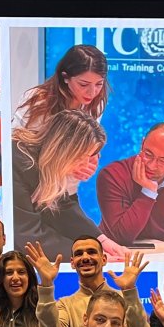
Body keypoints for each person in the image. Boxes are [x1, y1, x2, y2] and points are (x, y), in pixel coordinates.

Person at [13, 109, 123, 260]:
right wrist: (87, 255)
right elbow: (28, 236)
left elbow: (62, 208)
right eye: (82, 157)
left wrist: (101, 240)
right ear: (64, 150)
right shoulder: (18, 162)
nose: (86, 166)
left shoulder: (46, 162)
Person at [26, 236, 151, 327]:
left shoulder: (125, 298)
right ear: (72, 263)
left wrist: (129, 291)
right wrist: (46, 285)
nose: (85, 257)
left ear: (104, 259)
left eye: (91, 252)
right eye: (79, 254)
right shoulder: (66, 304)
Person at [95, 122, 164, 246]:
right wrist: (148, 192)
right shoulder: (113, 175)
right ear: (142, 144)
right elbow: (121, 236)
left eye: (163, 160)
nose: (151, 165)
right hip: (118, 252)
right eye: (148, 154)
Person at [13, 43, 108, 134]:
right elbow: (15, 143)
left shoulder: (97, 101)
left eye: (99, 84)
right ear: (65, 77)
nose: (92, 93)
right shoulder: (37, 101)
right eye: (83, 84)